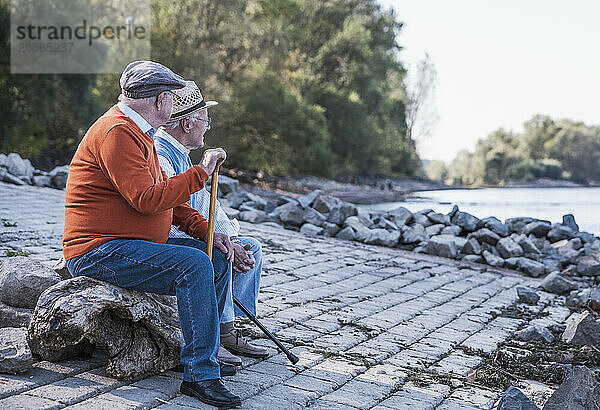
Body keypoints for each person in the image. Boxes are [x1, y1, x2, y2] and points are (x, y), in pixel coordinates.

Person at [62, 60, 241, 408]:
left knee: (214, 255)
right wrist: (201, 172)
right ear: (161, 101)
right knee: (193, 263)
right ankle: (200, 374)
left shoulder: (138, 134)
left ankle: (208, 348)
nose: (175, 105)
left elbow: (166, 198)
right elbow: (146, 200)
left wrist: (208, 232)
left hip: (126, 245)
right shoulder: (117, 132)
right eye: (172, 98)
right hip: (96, 250)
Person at [153, 80, 268, 366]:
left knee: (250, 246)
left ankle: (226, 326)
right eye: (206, 120)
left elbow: (205, 203)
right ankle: (220, 333)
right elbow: (174, 212)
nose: (208, 126)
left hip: (188, 230)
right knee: (218, 254)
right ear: (188, 124)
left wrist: (231, 238)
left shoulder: (180, 154)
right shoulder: (161, 153)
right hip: (168, 236)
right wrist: (218, 240)